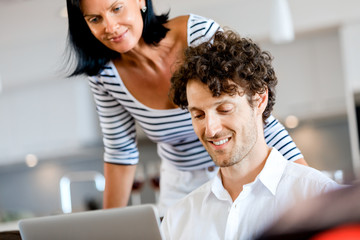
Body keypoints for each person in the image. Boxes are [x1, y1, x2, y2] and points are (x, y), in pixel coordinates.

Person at [65, 0, 307, 216]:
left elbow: (254, 112)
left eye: (116, 8)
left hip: (239, 166)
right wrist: (107, 227)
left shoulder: (197, 34)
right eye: (95, 19)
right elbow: (120, 153)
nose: (110, 26)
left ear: (140, 1)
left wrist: (307, 180)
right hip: (181, 182)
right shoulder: (104, 75)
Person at [161, 30, 341, 239]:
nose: (210, 129)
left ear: (259, 100)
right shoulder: (178, 219)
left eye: (224, 109)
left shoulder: (318, 197)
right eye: (199, 115)